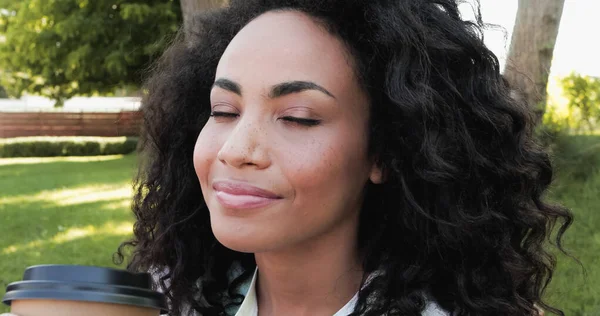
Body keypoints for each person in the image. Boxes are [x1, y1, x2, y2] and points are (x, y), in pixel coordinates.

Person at [1, 1, 568, 315]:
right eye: (223, 110)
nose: (237, 149)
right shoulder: (165, 296)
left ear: (385, 151)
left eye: (297, 117)